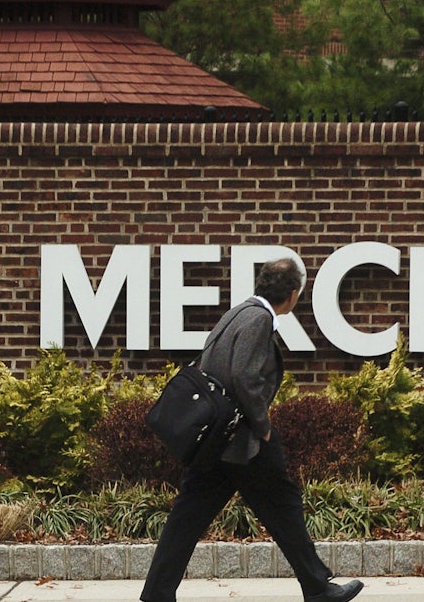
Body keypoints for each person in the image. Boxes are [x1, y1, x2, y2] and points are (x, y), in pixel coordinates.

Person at [140, 258, 364, 602]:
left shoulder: (239, 311)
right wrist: (263, 427)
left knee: (189, 515)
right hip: (243, 441)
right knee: (284, 505)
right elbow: (244, 376)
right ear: (292, 294)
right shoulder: (259, 319)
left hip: (216, 441)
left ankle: (157, 593)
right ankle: (319, 588)